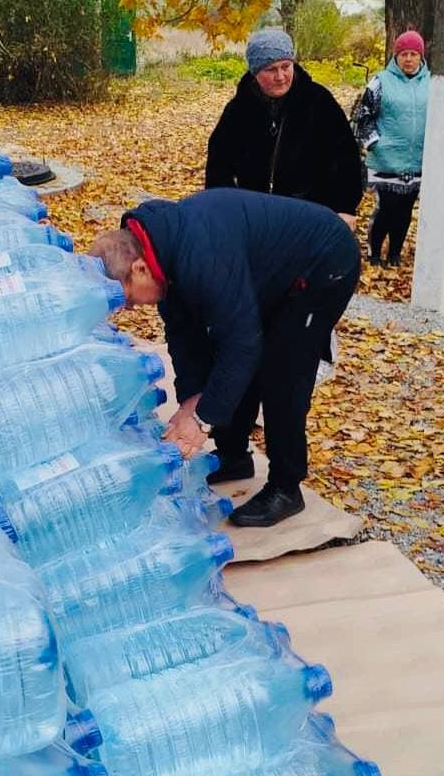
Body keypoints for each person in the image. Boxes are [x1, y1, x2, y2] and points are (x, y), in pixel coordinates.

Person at [88, 188, 360, 528]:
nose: (130, 308)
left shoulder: (201, 257)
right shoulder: (164, 253)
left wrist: (202, 420)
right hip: (268, 270)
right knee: (226, 352)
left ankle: (286, 487)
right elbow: (185, 338)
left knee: (282, 370)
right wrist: (191, 400)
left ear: (140, 268)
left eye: (127, 299)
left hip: (323, 261)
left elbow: (242, 345)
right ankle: (233, 457)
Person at [205, 28, 362, 227]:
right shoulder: (238, 110)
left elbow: (345, 156)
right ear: (255, 72)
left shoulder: (318, 101)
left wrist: (345, 207)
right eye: (271, 69)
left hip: (312, 213)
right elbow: (219, 165)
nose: (281, 76)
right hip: (257, 216)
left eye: (286, 66)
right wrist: (223, 209)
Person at [353, 30, 431, 266]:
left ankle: (395, 254)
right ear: (395, 56)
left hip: (417, 159)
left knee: (405, 212)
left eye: (413, 54)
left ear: (421, 56)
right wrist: (374, 142)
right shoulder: (380, 81)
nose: (408, 59)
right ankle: (375, 253)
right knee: (387, 209)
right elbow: (363, 116)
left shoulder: (433, 82)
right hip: (386, 159)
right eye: (403, 54)